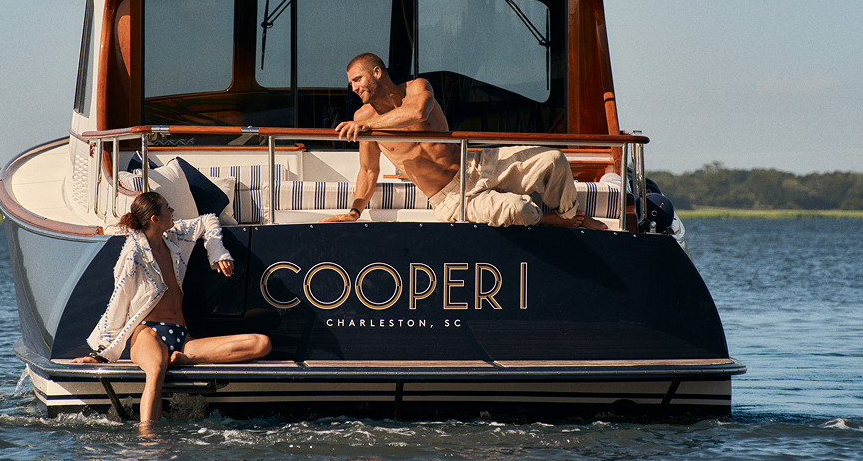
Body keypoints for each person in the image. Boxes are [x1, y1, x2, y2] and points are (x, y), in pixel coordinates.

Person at [322, 52, 607, 230]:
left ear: (377, 72)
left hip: (473, 165)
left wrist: (367, 125)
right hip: (449, 198)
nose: (354, 88)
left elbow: (418, 113)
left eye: (357, 79)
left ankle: (570, 215)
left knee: (553, 159)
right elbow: (369, 170)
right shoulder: (362, 116)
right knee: (519, 210)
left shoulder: (417, 89)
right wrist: (354, 211)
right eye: (351, 83)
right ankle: (548, 220)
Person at [71, 192, 271, 423]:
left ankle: (185, 359)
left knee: (261, 344)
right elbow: (118, 303)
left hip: (182, 338)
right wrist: (101, 355)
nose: (173, 210)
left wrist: (216, 252)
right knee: (156, 372)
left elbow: (207, 219)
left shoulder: (174, 238)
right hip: (148, 334)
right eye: (167, 208)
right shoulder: (133, 255)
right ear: (155, 219)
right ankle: (148, 442)